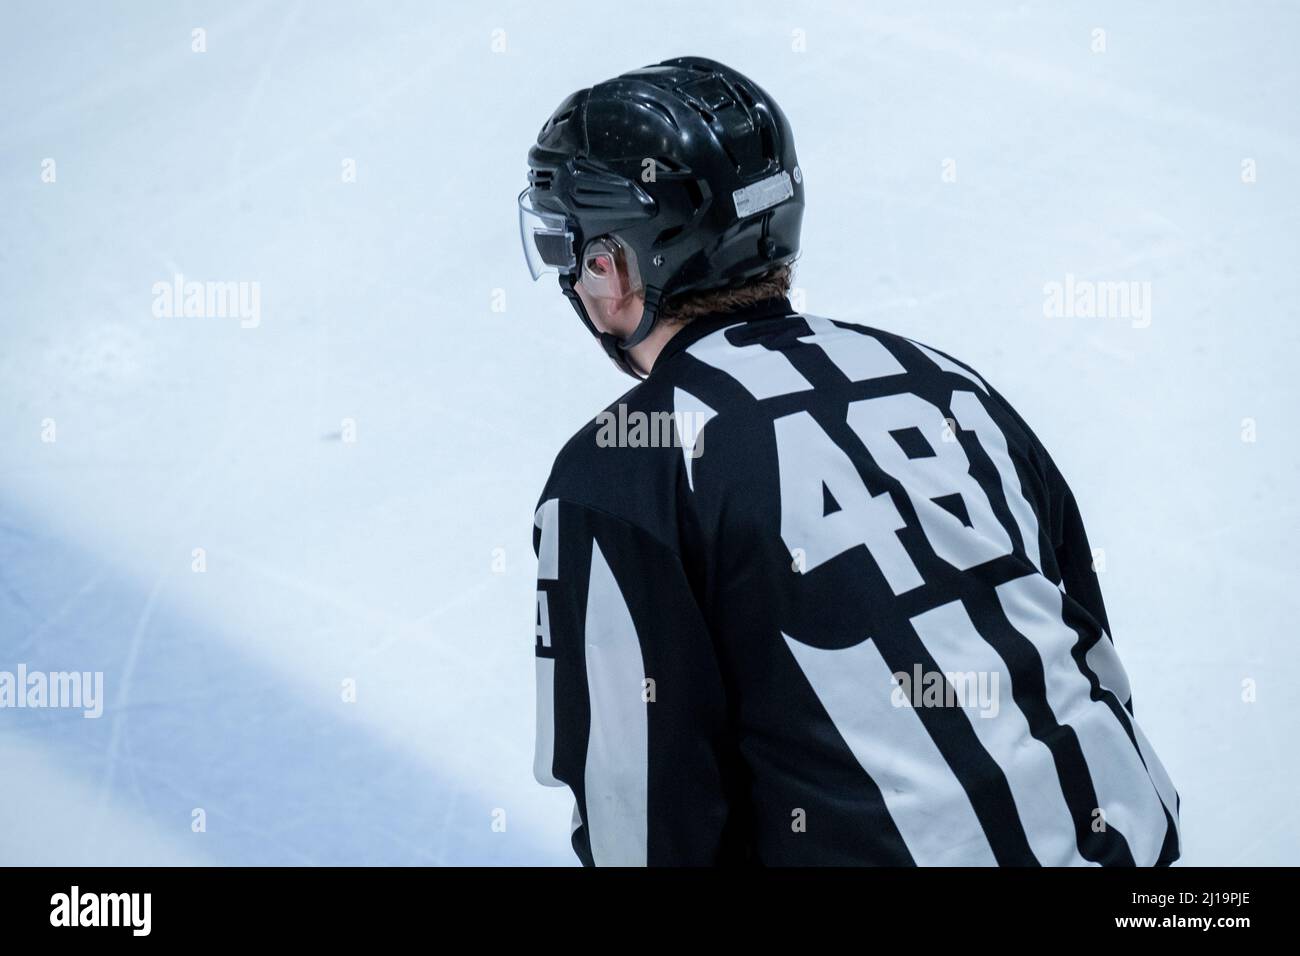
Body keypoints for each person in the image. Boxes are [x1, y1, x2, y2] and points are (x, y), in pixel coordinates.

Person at [518, 56, 1180, 866]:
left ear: (613, 270)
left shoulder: (619, 475)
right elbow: (1081, 654)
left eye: (569, 249)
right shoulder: (949, 385)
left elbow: (646, 822)